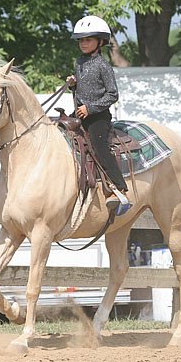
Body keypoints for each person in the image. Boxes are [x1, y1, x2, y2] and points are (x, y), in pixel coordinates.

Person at [66, 15, 132, 215]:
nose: (83, 43)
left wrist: (90, 108)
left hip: (98, 117)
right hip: (80, 113)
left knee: (99, 146)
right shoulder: (80, 62)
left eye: (88, 39)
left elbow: (113, 94)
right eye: (81, 40)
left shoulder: (103, 65)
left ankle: (119, 187)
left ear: (100, 41)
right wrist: (73, 85)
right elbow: (84, 87)